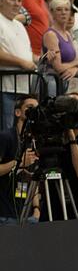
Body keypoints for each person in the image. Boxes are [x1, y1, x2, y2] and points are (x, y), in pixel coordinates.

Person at [0, 0, 35, 132]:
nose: (16, 4)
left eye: (19, 0)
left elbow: (26, 54)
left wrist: (41, 59)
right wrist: (21, 63)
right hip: (5, 87)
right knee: (6, 132)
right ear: (1, 0)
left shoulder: (20, 25)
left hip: (24, 89)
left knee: (20, 133)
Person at [0, 96, 39, 224]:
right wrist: (19, 163)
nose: (33, 112)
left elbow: (35, 177)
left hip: (27, 213)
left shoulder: (34, 140)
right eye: (29, 108)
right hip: (5, 214)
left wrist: (36, 208)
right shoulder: (6, 137)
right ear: (18, 112)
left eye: (37, 109)